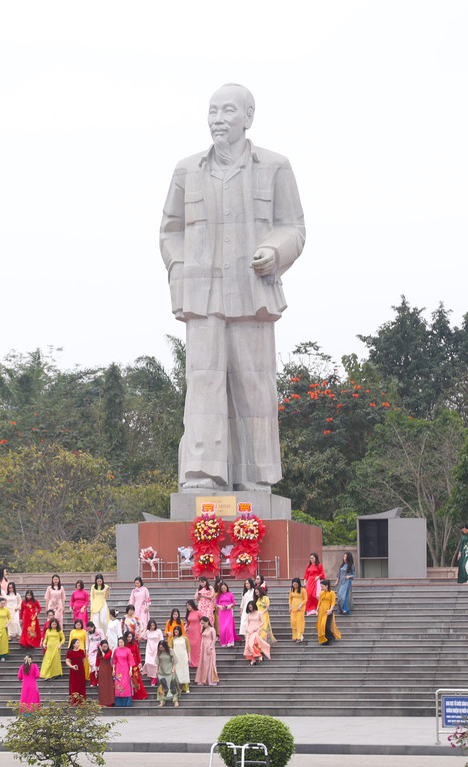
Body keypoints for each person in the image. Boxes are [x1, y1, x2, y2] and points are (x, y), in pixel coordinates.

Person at [159, 82, 305, 492]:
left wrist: (275, 252)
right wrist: (180, 271)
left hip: (252, 292)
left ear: (248, 117)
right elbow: (169, 232)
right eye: (212, 112)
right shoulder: (186, 170)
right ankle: (202, 474)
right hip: (202, 295)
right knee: (202, 383)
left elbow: (293, 227)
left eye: (227, 111)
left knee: (254, 384)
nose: (218, 120)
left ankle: (257, 478)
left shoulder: (275, 167)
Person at [110, 635, 137, 707]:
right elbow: (114, 660)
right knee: (118, 684)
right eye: (119, 642)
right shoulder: (116, 650)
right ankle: (118, 702)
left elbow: (130, 660)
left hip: (125, 668)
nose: (120, 644)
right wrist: (113, 669)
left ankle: (127, 702)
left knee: (126, 684)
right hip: (118, 668)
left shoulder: (128, 650)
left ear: (124, 642)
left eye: (121, 642)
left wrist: (130, 669)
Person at [123, 630, 149, 701]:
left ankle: (141, 694)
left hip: (134, 664)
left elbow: (137, 654)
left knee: (136, 679)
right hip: (125, 664)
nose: (129, 638)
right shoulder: (124, 645)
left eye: (131, 637)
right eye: (128, 637)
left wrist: (139, 662)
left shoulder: (134, 644)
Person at [195, 616, 219, 686]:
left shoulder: (212, 629)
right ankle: (202, 679)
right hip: (203, 647)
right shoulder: (203, 629)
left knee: (210, 662)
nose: (202, 625)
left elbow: (214, 639)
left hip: (209, 646)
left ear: (207, 622)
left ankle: (211, 680)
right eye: (201, 623)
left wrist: (210, 648)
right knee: (203, 662)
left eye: (203, 623)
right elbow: (202, 638)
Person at [65, 635, 89, 704]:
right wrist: (71, 666)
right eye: (77, 643)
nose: (79, 644)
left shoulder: (81, 651)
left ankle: (82, 701)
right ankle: (74, 700)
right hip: (73, 670)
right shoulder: (69, 652)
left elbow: (83, 660)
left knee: (81, 685)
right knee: (74, 684)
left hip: (81, 669)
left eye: (79, 642)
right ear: (73, 644)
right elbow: (67, 661)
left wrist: (81, 666)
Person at [155, 641, 179, 707]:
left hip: (169, 670)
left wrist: (173, 668)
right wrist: (156, 670)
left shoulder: (170, 650)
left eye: (162, 647)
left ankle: (175, 700)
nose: (161, 648)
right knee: (162, 686)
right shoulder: (159, 652)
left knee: (172, 685)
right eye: (160, 647)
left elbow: (175, 660)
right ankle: (162, 701)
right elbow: (157, 662)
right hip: (161, 671)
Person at [169, 626, 191, 694]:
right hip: (176, 657)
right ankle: (178, 687)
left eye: (177, 631)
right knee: (177, 672)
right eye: (175, 632)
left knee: (185, 671)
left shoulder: (185, 638)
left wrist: (189, 657)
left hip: (183, 657)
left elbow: (188, 649)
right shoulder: (172, 639)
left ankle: (186, 687)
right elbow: (170, 648)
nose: (176, 633)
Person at [143, 619, 165, 686]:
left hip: (156, 649)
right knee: (148, 663)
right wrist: (145, 630)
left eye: (153, 625)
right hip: (149, 649)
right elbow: (141, 636)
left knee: (155, 664)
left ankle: (154, 679)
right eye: (151, 625)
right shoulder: (148, 632)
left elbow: (161, 640)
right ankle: (151, 677)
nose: (152, 626)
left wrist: (161, 648)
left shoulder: (158, 631)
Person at [94, 641, 115, 707]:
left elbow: (106, 657)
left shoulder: (110, 651)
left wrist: (101, 650)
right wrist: (96, 671)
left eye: (106, 646)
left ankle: (109, 702)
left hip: (108, 669)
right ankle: (102, 702)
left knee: (109, 685)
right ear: (101, 646)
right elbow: (97, 662)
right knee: (102, 686)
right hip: (101, 670)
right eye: (104, 647)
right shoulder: (98, 653)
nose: (105, 648)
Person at [215, 581, 236, 647]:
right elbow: (216, 603)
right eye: (222, 589)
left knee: (228, 626)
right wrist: (219, 606)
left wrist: (230, 605)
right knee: (222, 627)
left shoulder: (230, 594)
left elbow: (234, 602)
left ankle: (230, 641)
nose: (224, 590)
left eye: (224, 588)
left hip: (228, 611)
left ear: (227, 587)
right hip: (222, 612)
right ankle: (223, 641)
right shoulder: (219, 595)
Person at [287, 578, 307, 643]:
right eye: (294, 584)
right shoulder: (291, 590)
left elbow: (305, 599)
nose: (295, 586)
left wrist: (300, 605)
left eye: (296, 584)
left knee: (299, 622)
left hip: (300, 609)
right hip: (293, 608)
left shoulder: (303, 590)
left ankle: (299, 636)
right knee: (293, 622)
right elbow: (290, 599)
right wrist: (290, 607)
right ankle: (295, 636)